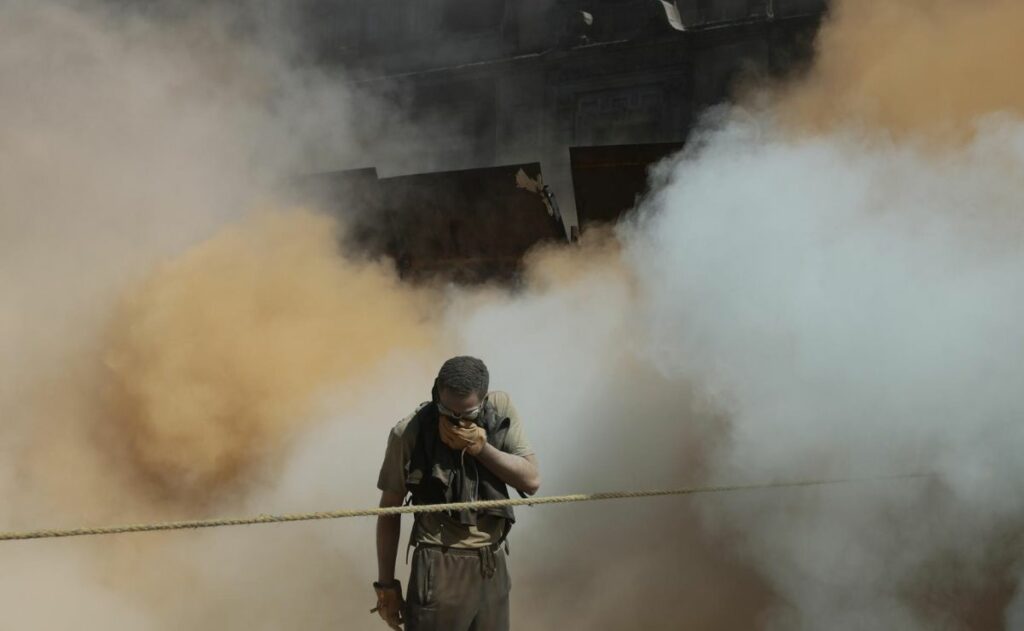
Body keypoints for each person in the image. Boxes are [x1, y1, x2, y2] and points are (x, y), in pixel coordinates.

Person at [373, 356, 540, 631]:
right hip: (440, 567)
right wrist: (386, 587)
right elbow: (388, 511)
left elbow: (531, 480)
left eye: (467, 415)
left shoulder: (499, 409)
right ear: (438, 392)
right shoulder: (409, 432)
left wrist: (481, 449)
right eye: (448, 412)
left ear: (484, 399)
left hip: (492, 562)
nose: (456, 421)